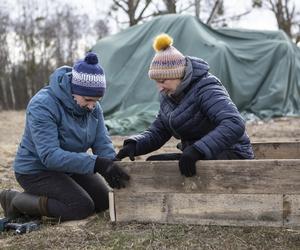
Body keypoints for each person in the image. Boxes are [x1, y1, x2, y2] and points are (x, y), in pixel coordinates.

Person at [0, 52, 129, 221]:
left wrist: (112, 165)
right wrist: (96, 163)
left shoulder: (93, 107)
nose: (92, 106)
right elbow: (50, 156)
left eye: (96, 101)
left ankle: (60, 192)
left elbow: (102, 142)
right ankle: (15, 200)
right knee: (80, 207)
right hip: (37, 171)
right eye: (88, 100)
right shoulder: (43, 105)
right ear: (74, 90)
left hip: (69, 167)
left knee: (104, 201)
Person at [116, 33, 254, 177]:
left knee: (166, 170)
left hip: (233, 154)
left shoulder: (207, 88)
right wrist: (135, 145)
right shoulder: (170, 95)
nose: (160, 88)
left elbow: (234, 123)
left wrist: (198, 150)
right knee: (156, 163)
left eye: (163, 81)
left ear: (179, 75)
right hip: (201, 155)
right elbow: (159, 130)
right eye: (157, 82)